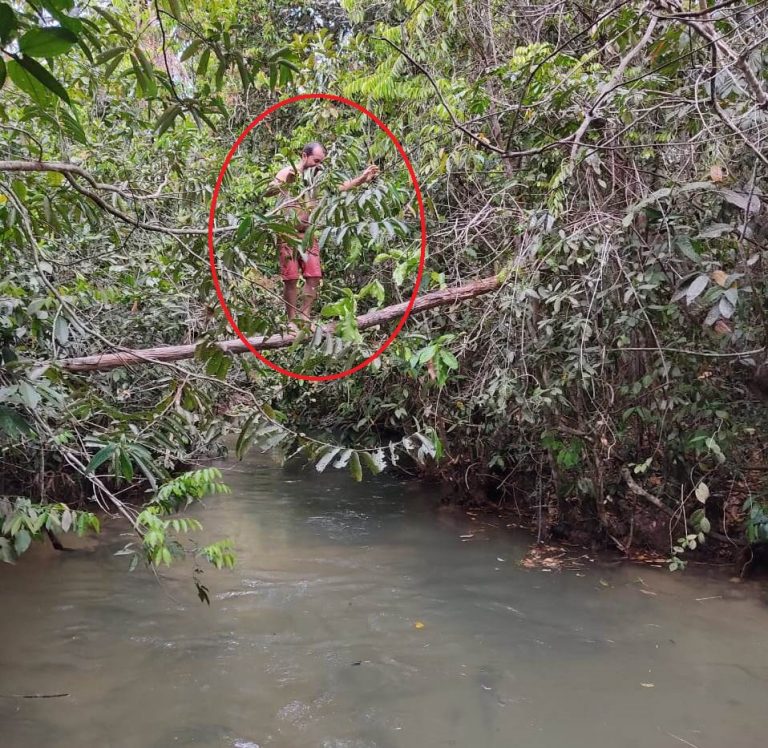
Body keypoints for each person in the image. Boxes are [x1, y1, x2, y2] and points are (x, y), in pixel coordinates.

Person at [265, 142, 380, 327]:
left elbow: (341, 187)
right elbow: (268, 192)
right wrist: (287, 181)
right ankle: (291, 321)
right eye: (316, 161)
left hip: (308, 233)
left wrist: (362, 178)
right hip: (287, 233)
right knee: (291, 279)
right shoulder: (287, 172)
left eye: (321, 162)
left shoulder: (319, 178)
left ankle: (305, 318)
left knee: (314, 276)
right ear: (304, 156)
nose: (318, 165)